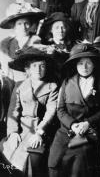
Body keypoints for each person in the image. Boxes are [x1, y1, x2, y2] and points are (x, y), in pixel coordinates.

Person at [48, 43, 100, 177]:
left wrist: (88, 123)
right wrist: (72, 124)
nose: (85, 67)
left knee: (81, 158)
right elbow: (60, 109)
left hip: (90, 130)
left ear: (94, 64)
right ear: (75, 65)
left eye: (88, 63)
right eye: (81, 63)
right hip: (67, 129)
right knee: (54, 159)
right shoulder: (66, 82)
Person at [0, 47, 58, 177]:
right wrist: (13, 133)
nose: (38, 69)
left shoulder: (52, 86)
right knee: (6, 149)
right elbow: (13, 111)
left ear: (46, 68)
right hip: (21, 129)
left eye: (42, 66)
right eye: (34, 66)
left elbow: (51, 112)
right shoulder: (20, 85)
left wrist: (39, 132)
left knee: (31, 156)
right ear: (28, 69)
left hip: (42, 129)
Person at [0, 0, 45, 81]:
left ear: (30, 24)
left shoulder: (36, 41)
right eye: (19, 24)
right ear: (14, 26)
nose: (23, 27)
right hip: (9, 80)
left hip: (28, 80)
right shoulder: (5, 44)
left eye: (26, 23)